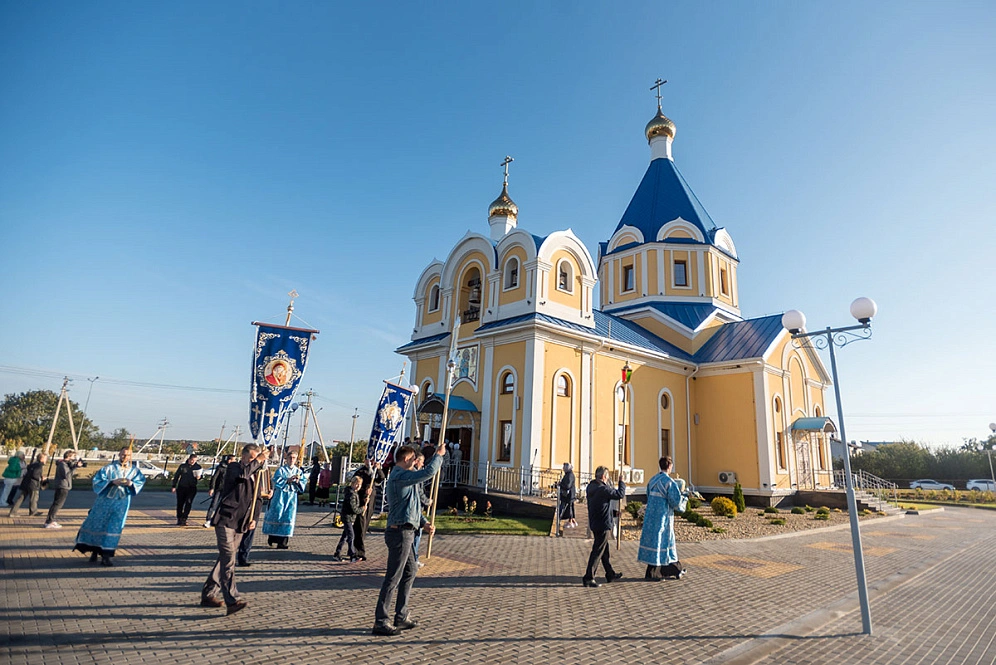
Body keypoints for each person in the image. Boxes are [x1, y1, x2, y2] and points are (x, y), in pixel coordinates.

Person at [372, 440, 445, 637]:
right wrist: (438, 456)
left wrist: (424, 523)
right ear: (405, 459)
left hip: (408, 531)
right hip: (399, 533)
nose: (416, 462)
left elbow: (412, 506)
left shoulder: (407, 478)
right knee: (393, 577)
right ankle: (381, 620)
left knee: (411, 570)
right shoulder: (399, 475)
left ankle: (401, 615)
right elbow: (427, 473)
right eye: (414, 459)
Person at [202, 443, 271, 615]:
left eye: (257, 458)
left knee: (224, 560)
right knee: (229, 559)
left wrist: (254, 518)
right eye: (253, 458)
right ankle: (232, 600)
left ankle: (208, 594)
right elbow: (242, 475)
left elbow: (258, 499)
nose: (256, 461)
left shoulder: (258, 474)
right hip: (226, 519)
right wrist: (259, 460)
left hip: (241, 523)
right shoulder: (234, 468)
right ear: (245, 457)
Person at [74, 447, 146, 566]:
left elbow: (140, 482)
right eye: (123, 454)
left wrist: (131, 483)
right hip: (104, 502)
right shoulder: (109, 468)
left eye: (128, 455)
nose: (125, 457)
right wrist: (112, 482)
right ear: (119, 454)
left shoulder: (134, 471)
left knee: (114, 527)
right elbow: (97, 481)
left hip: (121, 503)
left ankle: (106, 555)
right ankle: (94, 551)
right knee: (98, 524)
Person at [639, 456, 688, 581]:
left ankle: (671, 570)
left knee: (656, 542)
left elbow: (648, 495)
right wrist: (684, 498)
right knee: (663, 543)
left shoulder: (653, 480)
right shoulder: (669, 482)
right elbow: (676, 502)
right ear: (670, 467)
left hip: (651, 517)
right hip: (663, 518)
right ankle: (656, 573)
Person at [582, 466, 626, 588]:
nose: (607, 480)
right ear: (603, 476)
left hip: (596, 522)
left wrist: (614, 513)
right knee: (598, 551)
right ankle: (588, 577)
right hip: (602, 524)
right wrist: (621, 482)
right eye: (607, 477)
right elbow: (620, 494)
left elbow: (601, 506)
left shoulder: (591, 487)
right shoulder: (603, 489)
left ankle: (610, 573)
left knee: (604, 551)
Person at [262, 449, 305, 549]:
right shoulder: (281, 470)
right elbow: (276, 480)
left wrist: (298, 482)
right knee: (277, 515)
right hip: (280, 496)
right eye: (290, 458)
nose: (291, 460)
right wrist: (287, 480)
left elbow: (303, 483)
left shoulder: (298, 471)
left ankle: (283, 542)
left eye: (294, 458)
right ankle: (272, 538)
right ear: (287, 459)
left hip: (291, 497)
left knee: (288, 517)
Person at [237, 460, 272, 567]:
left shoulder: (263, 472)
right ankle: (230, 556)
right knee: (238, 532)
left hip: (255, 506)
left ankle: (243, 557)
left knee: (249, 533)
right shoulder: (241, 470)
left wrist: (270, 491)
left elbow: (268, 483)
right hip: (242, 507)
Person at [352, 459, 385, 561]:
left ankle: (355, 548)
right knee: (360, 525)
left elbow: (381, 479)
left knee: (365, 525)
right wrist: (364, 490)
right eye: (369, 460)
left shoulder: (374, 471)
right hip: (362, 500)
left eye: (372, 460)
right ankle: (359, 552)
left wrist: (378, 469)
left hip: (371, 500)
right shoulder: (360, 471)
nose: (371, 462)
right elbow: (355, 485)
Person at [45, 450, 84, 528]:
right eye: (73, 456)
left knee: (58, 504)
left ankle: (51, 520)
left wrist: (74, 467)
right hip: (62, 486)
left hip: (64, 485)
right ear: (69, 456)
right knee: (57, 504)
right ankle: (49, 521)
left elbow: (70, 473)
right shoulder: (63, 464)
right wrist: (75, 466)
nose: (74, 458)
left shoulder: (65, 464)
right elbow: (67, 475)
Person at [332, 474, 362, 562]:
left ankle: (337, 553)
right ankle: (352, 555)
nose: (358, 486)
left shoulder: (354, 493)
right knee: (351, 536)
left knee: (345, 536)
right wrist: (362, 509)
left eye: (359, 484)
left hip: (350, 517)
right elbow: (353, 508)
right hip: (347, 517)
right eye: (357, 484)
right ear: (352, 483)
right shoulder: (351, 494)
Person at [9, 452, 48, 516]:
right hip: (33, 484)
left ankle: (13, 512)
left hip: (26, 483)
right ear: (41, 459)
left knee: (21, 498)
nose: (46, 460)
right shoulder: (39, 466)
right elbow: (35, 475)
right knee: (34, 498)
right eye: (45, 458)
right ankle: (33, 511)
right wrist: (41, 478)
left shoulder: (32, 464)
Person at [411, 452, 432, 568]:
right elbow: (419, 492)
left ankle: (412, 559)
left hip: (416, 508)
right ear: (417, 461)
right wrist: (427, 501)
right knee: (415, 536)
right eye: (422, 462)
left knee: (415, 536)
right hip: (415, 509)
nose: (423, 464)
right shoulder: (415, 475)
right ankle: (413, 559)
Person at [204, 455, 234, 527]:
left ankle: (219, 519)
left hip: (227, 489)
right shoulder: (221, 467)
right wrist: (212, 488)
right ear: (229, 460)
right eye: (233, 460)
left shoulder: (233, 468)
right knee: (214, 504)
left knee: (224, 505)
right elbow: (214, 478)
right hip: (219, 488)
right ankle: (208, 519)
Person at [172, 454, 202, 526]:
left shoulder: (198, 467)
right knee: (180, 504)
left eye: (195, 461)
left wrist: (199, 477)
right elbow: (176, 476)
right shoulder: (183, 466)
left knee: (188, 503)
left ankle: (184, 518)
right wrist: (174, 486)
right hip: (182, 487)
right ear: (189, 459)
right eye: (192, 460)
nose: (193, 462)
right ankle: (179, 518)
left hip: (192, 488)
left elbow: (201, 475)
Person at [559, 462, 577, 529]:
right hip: (569, 495)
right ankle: (573, 521)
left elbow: (568, 485)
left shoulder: (570, 475)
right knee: (570, 507)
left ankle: (570, 522)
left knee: (568, 508)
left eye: (564, 467)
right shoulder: (568, 474)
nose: (563, 468)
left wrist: (561, 484)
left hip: (569, 495)